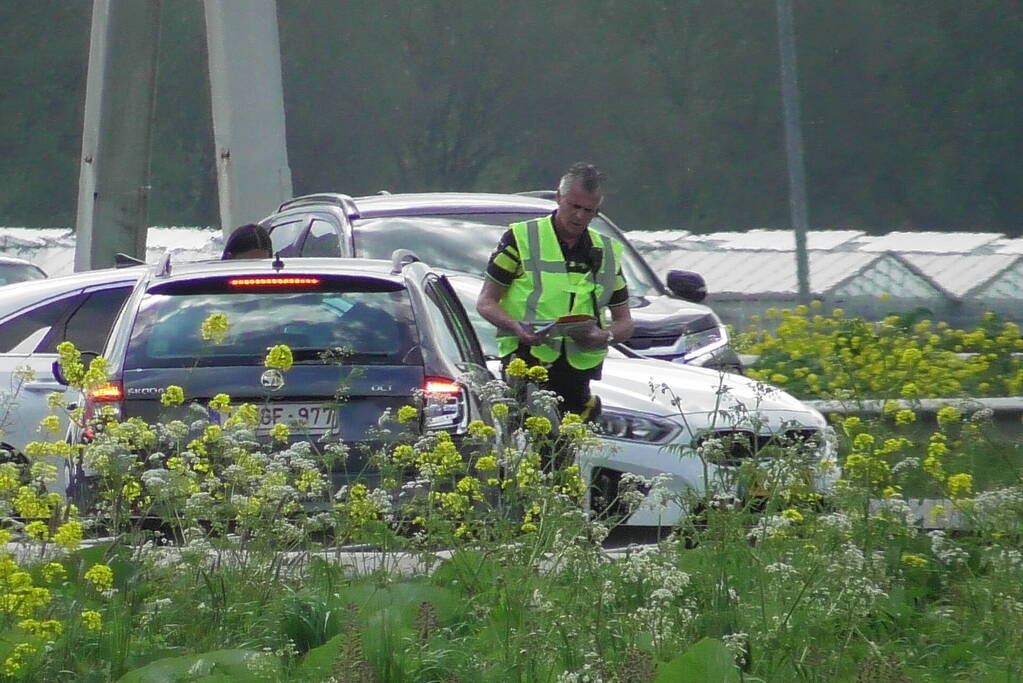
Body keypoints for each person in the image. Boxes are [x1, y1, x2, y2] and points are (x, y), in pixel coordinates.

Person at [476, 162, 634, 425]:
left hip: (578, 372)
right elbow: (486, 302)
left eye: (589, 211)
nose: (580, 217)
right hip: (526, 361)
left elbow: (626, 322)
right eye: (574, 206)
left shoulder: (605, 251)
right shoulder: (522, 237)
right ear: (558, 197)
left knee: (566, 450)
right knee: (536, 440)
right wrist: (516, 327)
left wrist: (604, 336)